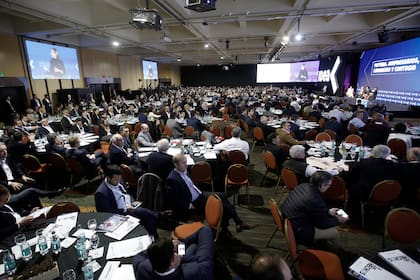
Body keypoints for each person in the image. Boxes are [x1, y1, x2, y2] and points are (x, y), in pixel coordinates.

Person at [166, 154, 255, 239]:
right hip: (194, 202)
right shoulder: (172, 179)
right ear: (175, 165)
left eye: (186, 162)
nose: (186, 165)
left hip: (200, 194)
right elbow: (173, 200)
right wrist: (189, 205)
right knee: (221, 205)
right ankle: (234, 226)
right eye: (183, 163)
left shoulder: (184, 171)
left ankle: (235, 225)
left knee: (222, 197)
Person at [280, 171, 348, 247]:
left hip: (286, 219)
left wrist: (328, 211)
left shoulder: (303, 185)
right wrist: (338, 220)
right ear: (321, 185)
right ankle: (334, 253)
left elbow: (311, 210)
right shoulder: (315, 199)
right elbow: (322, 224)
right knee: (335, 233)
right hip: (298, 231)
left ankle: (322, 244)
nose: (329, 187)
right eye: (329, 185)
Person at [95, 165, 160, 239]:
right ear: (108, 178)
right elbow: (107, 213)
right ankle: (159, 217)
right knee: (146, 217)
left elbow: (127, 193)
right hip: (119, 215)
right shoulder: (101, 193)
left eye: (119, 179)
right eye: (116, 180)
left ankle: (154, 238)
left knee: (148, 218)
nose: (118, 182)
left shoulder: (120, 180)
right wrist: (126, 209)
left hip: (128, 207)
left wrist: (132, 202)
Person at [133, 226, 214, 280]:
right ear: (172, 261)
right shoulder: (197, 270)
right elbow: (205, 230)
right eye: (174, 253)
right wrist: (181, 243)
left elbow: (139, 256)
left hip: (180, 257)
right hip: (193, 260)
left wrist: (180, 244)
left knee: (190, 248)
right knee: (194, 246)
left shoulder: (142, 268)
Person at [348, 144, 397, 213]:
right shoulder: (393, 165)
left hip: (366, 194)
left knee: (351, 183)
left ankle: (350, 210)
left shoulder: (364, 162)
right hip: (387, 193)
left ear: (372, 153)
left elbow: (352, 175)